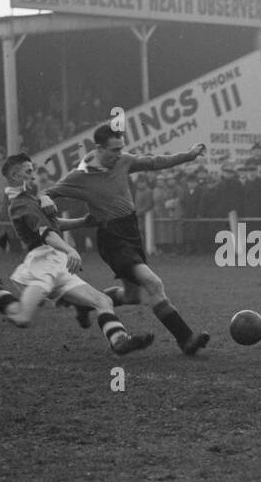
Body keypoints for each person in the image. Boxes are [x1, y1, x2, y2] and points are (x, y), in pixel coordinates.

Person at [0, 153, 153, 355]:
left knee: (103, 301)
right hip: (42, 263)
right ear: (15, 176)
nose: (34, 175)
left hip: (58, 263)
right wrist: (69, 249)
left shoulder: (30, 199)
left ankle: (119, 340)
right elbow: (47, 233)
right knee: (22, 318)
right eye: (28, 171)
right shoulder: (20, 204)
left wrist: (83, 221)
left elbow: (54, 225)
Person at [47, 124, 211, 355]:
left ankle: (82, 304)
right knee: (153, 283)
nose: (119, 154)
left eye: (121, 148)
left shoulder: (122, 161)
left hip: (131, 231)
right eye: (114, 150)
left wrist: (189, 155)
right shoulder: (79, 177)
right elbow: (48, 193)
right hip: (111, 236)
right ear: (99, 148)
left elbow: (153, 162)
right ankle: (186, 339)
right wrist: (44, 200)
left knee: (132, 295)